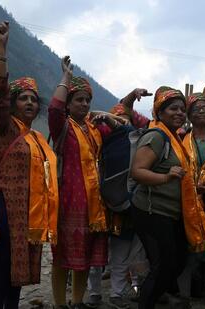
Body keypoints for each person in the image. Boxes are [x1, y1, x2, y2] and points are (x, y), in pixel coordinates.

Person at [0, 21, 59, 308]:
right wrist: (1, 48)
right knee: (3, 262)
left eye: (33, 99)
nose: (29, 102)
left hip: (32, 207)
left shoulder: (38, 137)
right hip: (7, 205)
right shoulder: (4, 127)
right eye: (23, 98)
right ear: (13, 103)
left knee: (20, 267)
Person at [130, 86, 205, 309]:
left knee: (175, 263)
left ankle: (152, 297)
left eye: (181, 109)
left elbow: (181, 178)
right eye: (172, 109)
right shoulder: (156, 136)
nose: (178, 113)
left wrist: (198, 188)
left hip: (171, 213)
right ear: (159, 112)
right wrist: (166, 177)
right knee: (165, 266)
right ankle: (146, 302)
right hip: (151, 211)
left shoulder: (176, 139)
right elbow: (137, 172)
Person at [49, 55, 121, 309]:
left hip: (94, 206)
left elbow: (123, 132)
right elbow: (54, 109)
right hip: (69, 202)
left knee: (86, 257)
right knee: (61, 258)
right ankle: (60, 304)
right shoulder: (62, 127)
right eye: (79, 99)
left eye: (88, 100)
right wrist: (66, 78)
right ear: (69, 104)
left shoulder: (94, 130)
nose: (85, 104)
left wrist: (109, 118)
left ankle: (77, 301)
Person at [86, 89, 152, 309]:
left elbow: (135, 126)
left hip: (124, 204)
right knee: (96, 254)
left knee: (121, 253)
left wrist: (122, 112)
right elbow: (90, 115)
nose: (120, 123)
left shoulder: (136, 138)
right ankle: (94, 291)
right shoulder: (95, 137)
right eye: (117, 119)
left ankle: (116, 293)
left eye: (125, 119)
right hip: (96, 202)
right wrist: (111, 116)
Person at [178, 93, 205, 303]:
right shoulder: (181, 139)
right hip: (187, 201)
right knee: (187, 253)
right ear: (189, 115)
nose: (201, 111)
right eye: (195, 109)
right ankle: (185, 297)